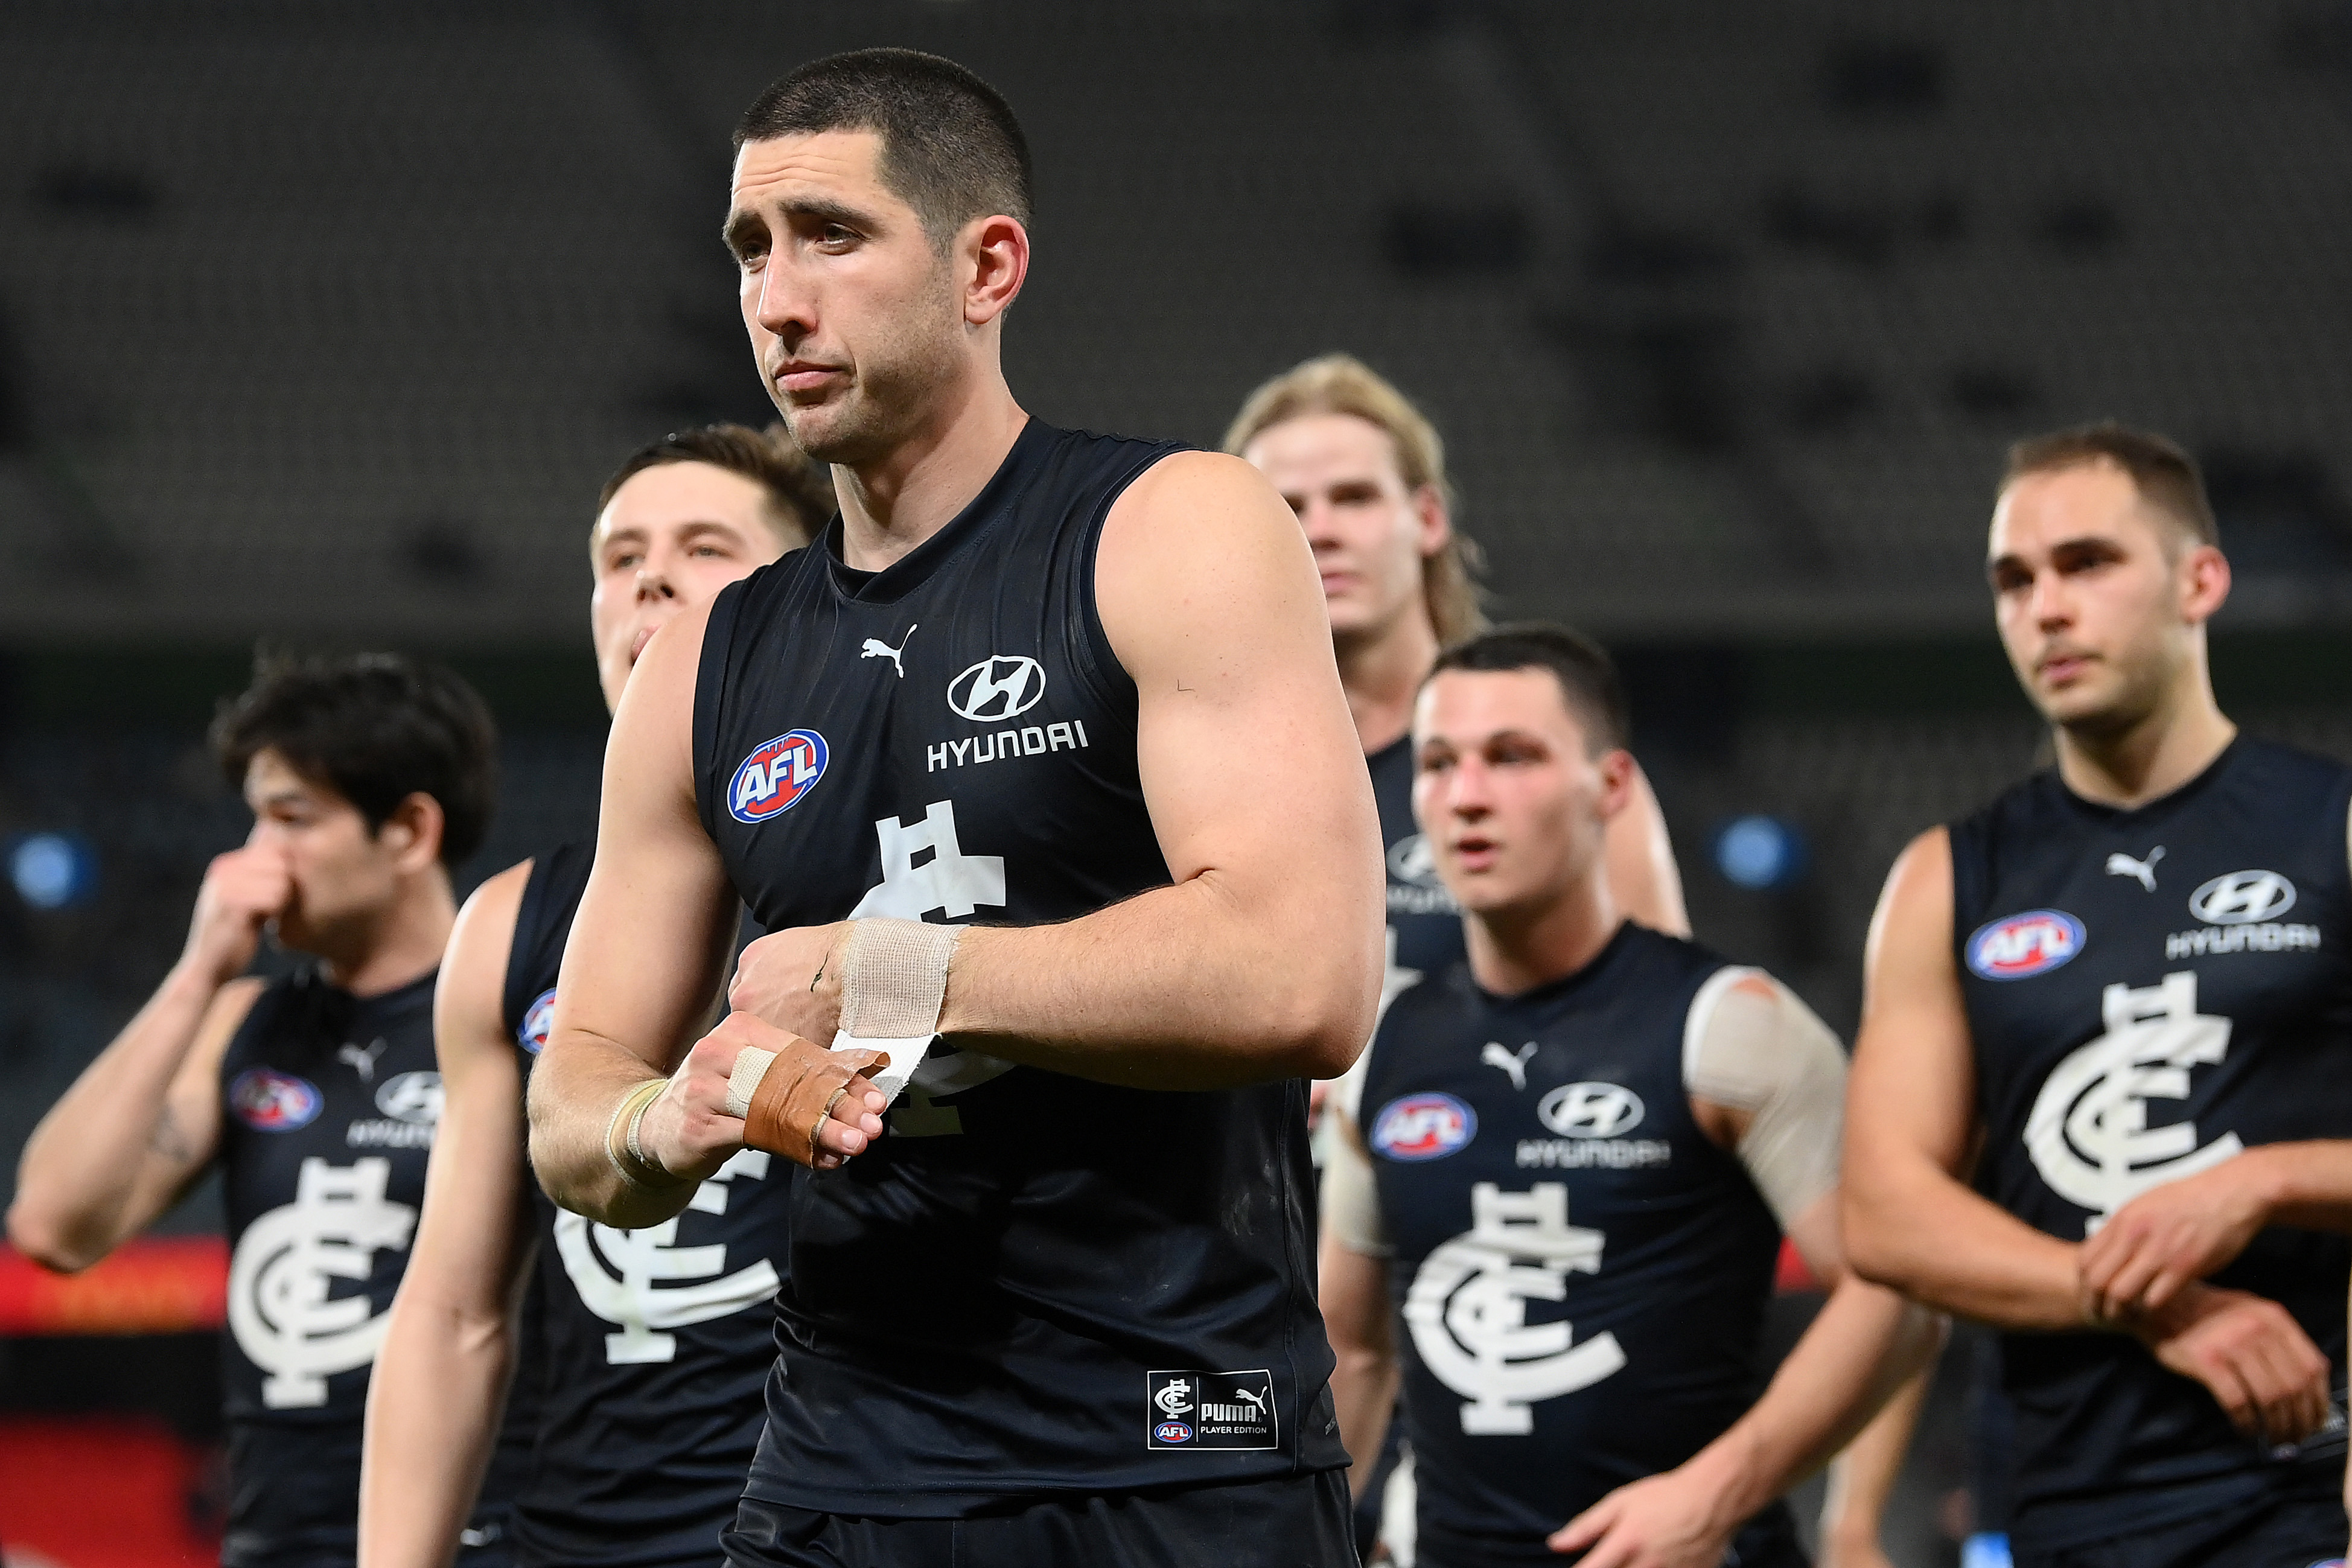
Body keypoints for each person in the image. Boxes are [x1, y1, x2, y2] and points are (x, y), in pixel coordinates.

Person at [526, 47, 1382, 1567]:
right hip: (840, 1472)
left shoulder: (1166, 526)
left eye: (831, 236)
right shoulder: (704, 664)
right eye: (749, 249)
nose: (776, 300)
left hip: (1182, 1444)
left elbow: (1304, 975)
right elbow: (575, 1097)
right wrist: (679, 1114)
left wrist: (887, 972)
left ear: (988, 265)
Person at [1843, 422, 2352, 1568]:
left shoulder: (2332, 828)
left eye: (2086, 563)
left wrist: (2260, 1182)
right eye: (2013, 580)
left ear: (2200, 579)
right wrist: (2147, 1297)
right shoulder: (1947, 876)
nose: (2045, 608)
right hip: (2063, 1513)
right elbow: (1884, 1209)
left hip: (2309, 1503)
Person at [1319, 624, 1936, 1568]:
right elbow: (1355, 1352)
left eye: (1513, 756)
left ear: (1609, 788)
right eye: (1439, 763)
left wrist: (1714, 1493)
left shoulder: (1730, 1026)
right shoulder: (1386, 1045)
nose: (1468, 796)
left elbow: (1897, 1292)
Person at [358, 425, 829, 1568]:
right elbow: (455, 1313)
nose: (648, 578)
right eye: (619, 559)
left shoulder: (901, 861)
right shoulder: (510, 924)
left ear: (813, 595)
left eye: (703, 546)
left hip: (847, 1526)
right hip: (576, 1540)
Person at [8, 652, 509, 1568]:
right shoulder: (246, 1024)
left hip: (479, 1540)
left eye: (293, 818)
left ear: (408, 830)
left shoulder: (515, 1016)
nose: (253, 857)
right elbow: (51, 1221)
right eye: (255, 819)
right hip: (274, 1542)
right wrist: (199, 972)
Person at [1222, 354, 1688, 1001]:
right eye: (1287, 507)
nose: (1320, 531)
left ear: (1429, 519)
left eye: (1354, 498)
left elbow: (1660, 1030)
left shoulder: (1553, 752)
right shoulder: (1196, 762)